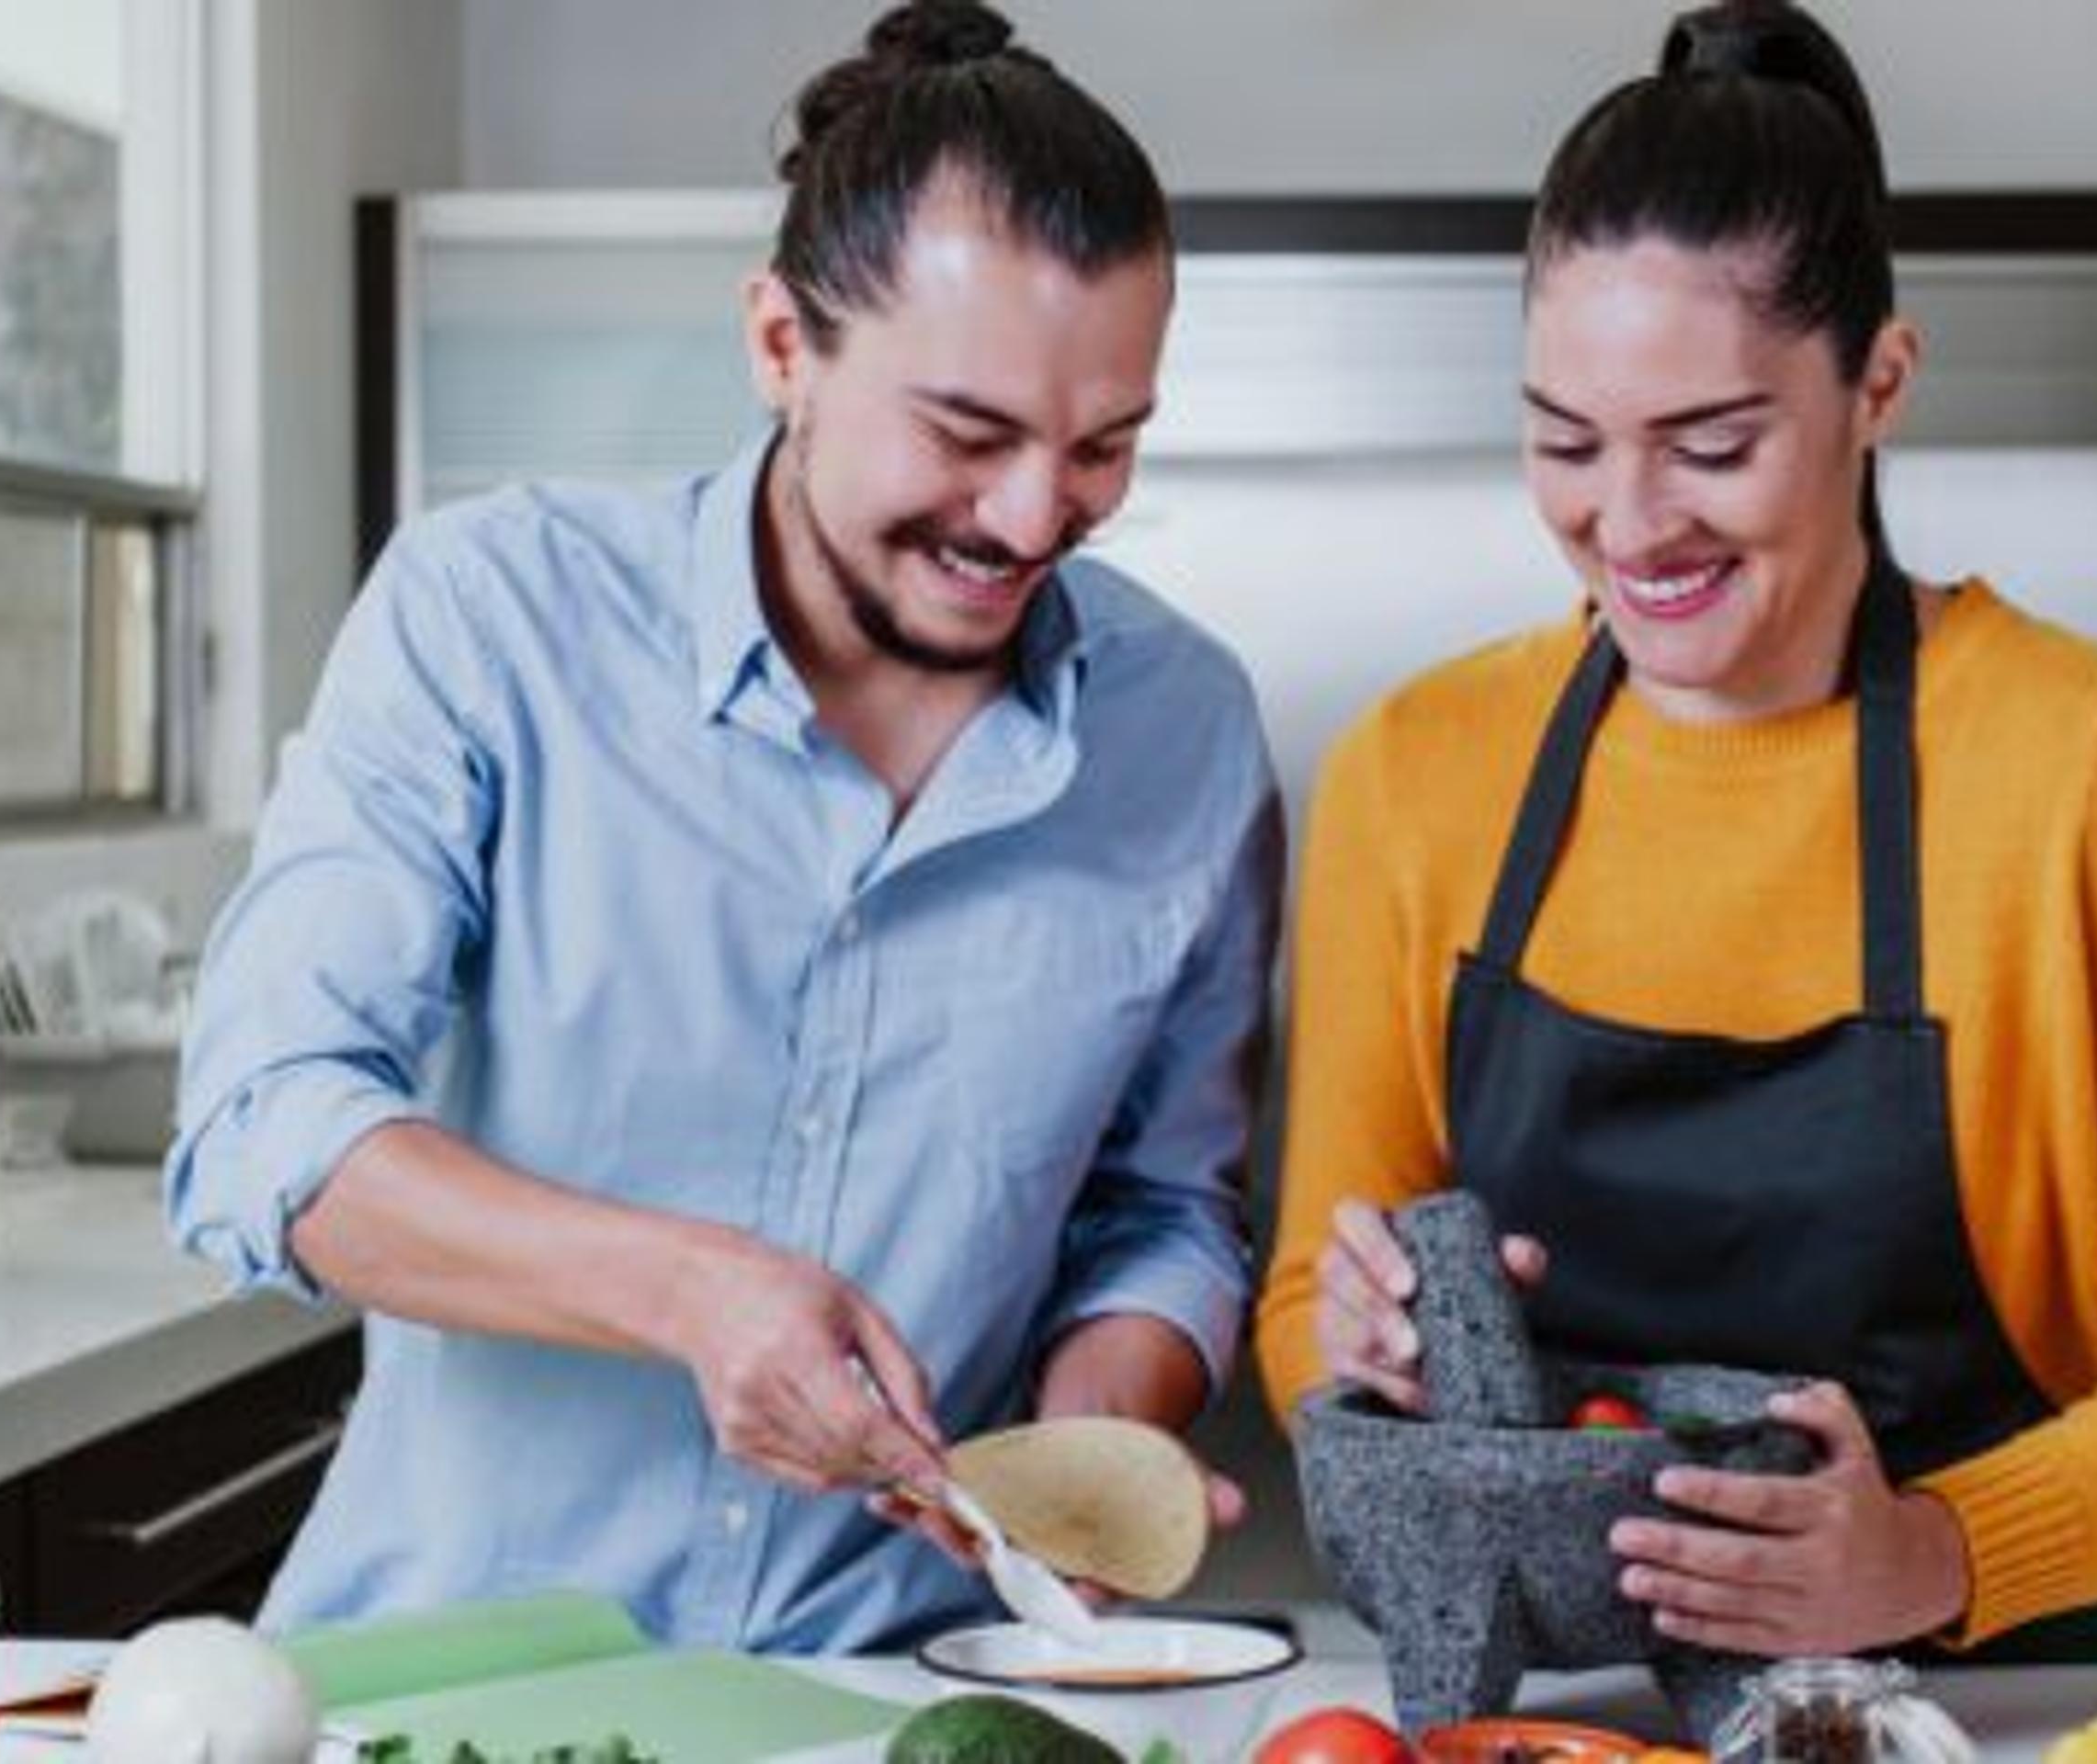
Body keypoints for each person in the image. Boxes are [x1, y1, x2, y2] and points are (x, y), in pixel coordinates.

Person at [1254, 0, 2097, 1664]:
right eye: (1566, 442)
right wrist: (1369, 1355)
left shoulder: (2079, 762)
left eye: (1713, 446)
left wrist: (1933, 1551)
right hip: (1558, 1713)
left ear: (1879, 384)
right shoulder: (1418, 771)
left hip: (1980, 1698)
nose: (1628, 526)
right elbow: (1300, 1313)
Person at [168, 0, 1276, 1651]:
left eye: (1104, 447)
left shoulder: (1180, 731)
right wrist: (688, 1291)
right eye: (968, 434)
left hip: (901, 1699)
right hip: (453, 1677)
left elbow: (1167, 1210)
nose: (1036, 515)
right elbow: (267, 1128)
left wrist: (1098, 1433)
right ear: (781, 346)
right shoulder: (493, 618)